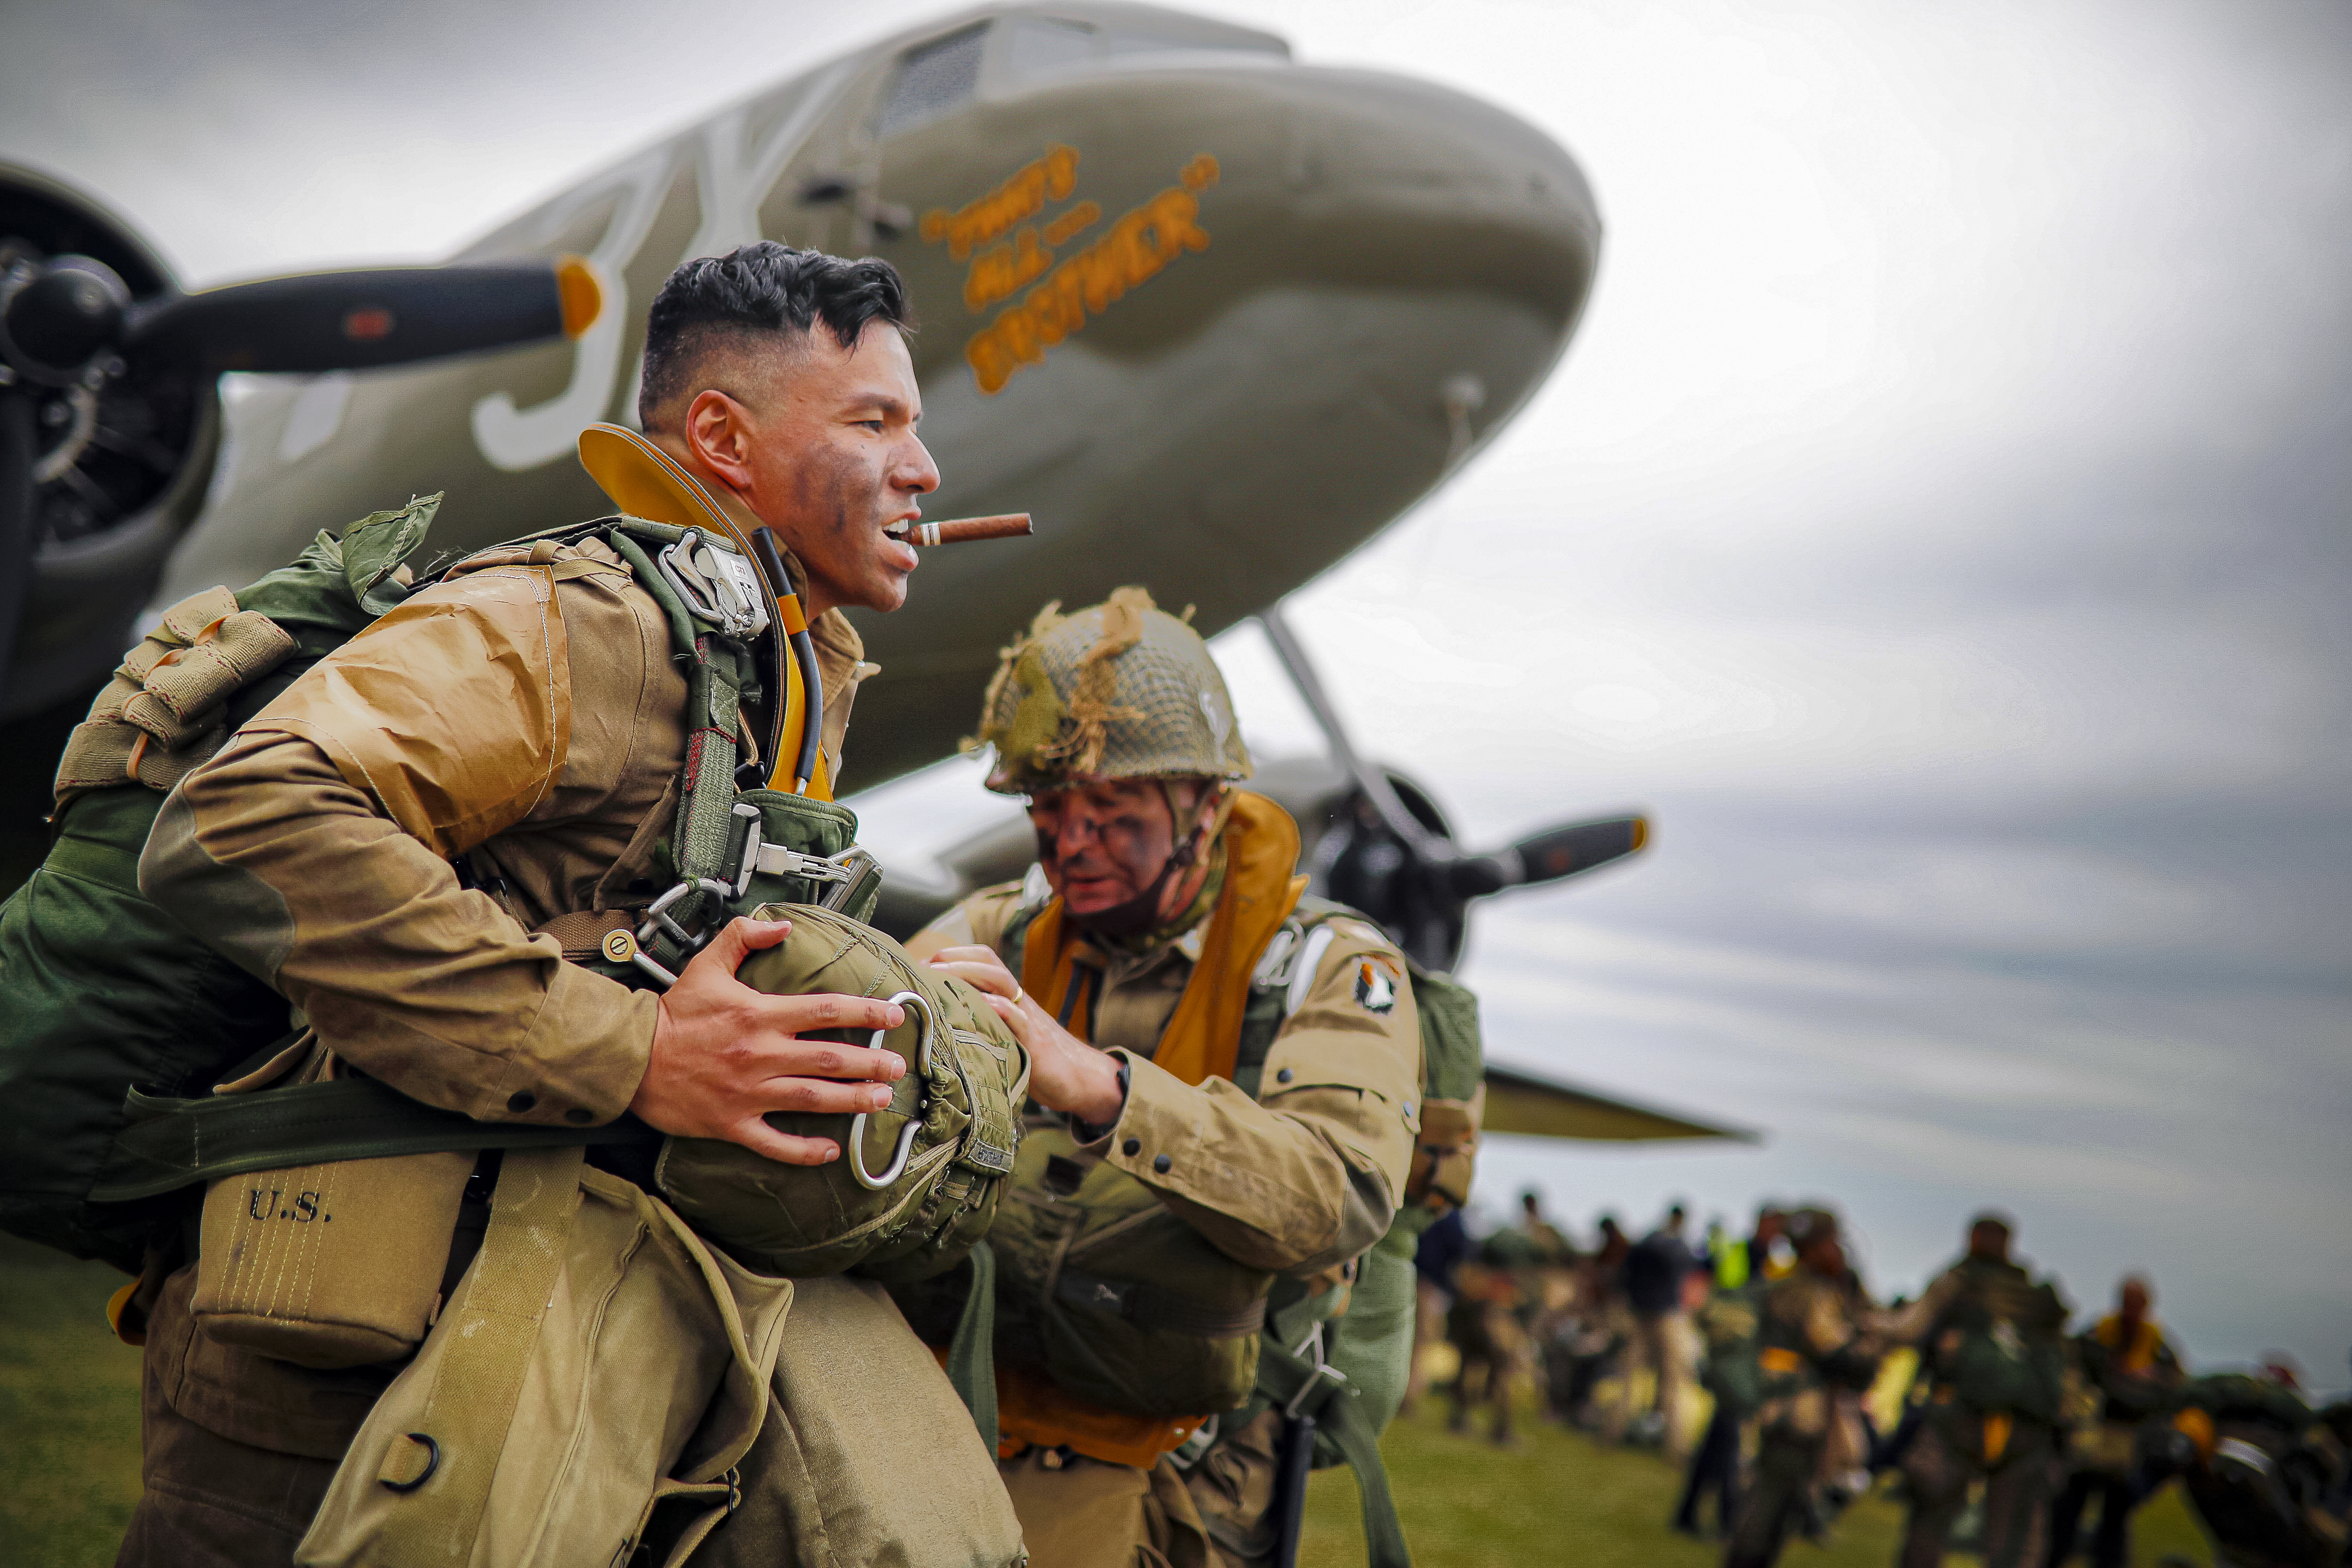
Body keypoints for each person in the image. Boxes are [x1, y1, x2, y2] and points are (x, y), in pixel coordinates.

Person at [113, 242, 1041, 1567]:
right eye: (875, 422)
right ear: (721, 439)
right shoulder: (582, 616)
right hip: (349, 1348)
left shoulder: (766, 660)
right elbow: (245, 814)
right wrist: (636, 1051)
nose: (924, 468)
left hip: (570, 1310)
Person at [905, 591, 1425, 1568]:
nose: (1073, 844)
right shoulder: (999, 932)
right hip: (957, 1385)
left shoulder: (1326, 968)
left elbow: (1337, 1195)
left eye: (1114, 815)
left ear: (1206, 808)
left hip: (1187, 1447)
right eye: (1049, 812)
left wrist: (1103, 1089)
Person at [1874, 1212, 2070, 1568]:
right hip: (2025, 1428)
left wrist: (1864, 1322)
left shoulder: (1958, 1283)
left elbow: (1909, 1330)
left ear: (1974, 1239)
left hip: (1957, 1416)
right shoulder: (2032, 1295)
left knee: (1931, 1521)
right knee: (2009, 1541)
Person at [1721, 1208, 1881, 1568]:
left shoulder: (1792, 1283)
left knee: (1777, 1500)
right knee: (1770, 1503)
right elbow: (1837, 1353)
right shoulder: (1810, 1291)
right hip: (1795, 1415)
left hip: (1785, 1409)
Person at [2047, 1275, 2183, 1567]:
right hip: (2088, 1442)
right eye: (2127, 1301)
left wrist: (2149, 1378)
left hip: (2127, 1448)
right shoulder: (2098, 1335)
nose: (2132, 1308)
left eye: (2138, 1303)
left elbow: (2173, 1387)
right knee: (2065, 1516)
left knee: (2114, 1525)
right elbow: (2074, 1368)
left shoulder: (2158, 1346)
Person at [1611, 1201, 1699, 1455]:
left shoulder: (1647, 1241)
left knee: (1627, 1375)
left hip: (1640, 1313)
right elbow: (1689, 1276)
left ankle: (1614, 1430)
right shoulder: (1677, 1246)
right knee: (1673, 1378)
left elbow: (1625, 1273)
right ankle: (1675, 1444)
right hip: (1666, 1315)